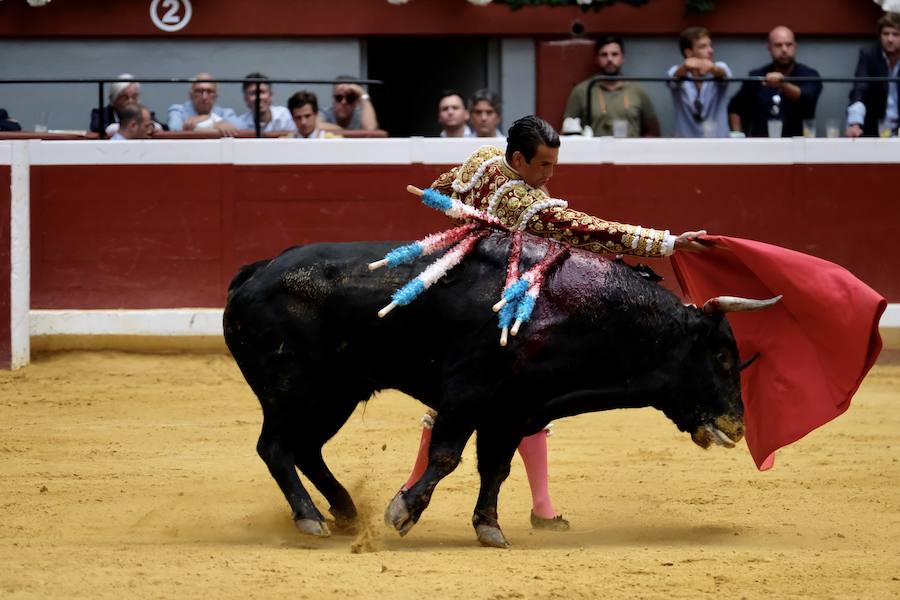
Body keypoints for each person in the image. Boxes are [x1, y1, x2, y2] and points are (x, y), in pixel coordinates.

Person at [401, 115, 706, 530]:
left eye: (553, 164)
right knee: (526, 396)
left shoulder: (483, 160)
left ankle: (414, 488)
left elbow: (438, 191)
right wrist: (666, 242)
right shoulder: (527, 206)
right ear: (519, 158)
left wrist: (475, 224)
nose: (549, 173)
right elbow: (590, 231)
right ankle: (537, 506)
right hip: (504, 303)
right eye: (542, 165)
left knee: (449, 401)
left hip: (460, 289)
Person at [727, 27, 823, 137]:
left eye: (789, 45)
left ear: (795, 47)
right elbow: (735, 107)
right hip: (762, 145)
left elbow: (808, 98)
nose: (784, 50)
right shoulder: (757, 76)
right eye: (778, 45)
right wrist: (738, 137)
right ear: (769, 48)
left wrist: (783, 85)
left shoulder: (809, 75)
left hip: (799, 145)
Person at [563, 35, 660, 137]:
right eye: (604, 55)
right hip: (595, 151)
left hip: (630, 151)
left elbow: (653, 131)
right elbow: (567, 131)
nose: (609, 59)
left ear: (622, 58)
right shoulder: (582, 91)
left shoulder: (636, 90)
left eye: (614, 54)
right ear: (596, 59)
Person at [666, 27, 732, 137]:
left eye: (710, 45)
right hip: (686, 146)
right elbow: (673, 79)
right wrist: (686, 67)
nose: (710, 50)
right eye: (703, 47)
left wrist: (712, 68)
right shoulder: (677, 71)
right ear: (688, 52)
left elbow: (724, 75)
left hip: (718, 145)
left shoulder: (719, 67)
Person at [846, 12, 900, 138]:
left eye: (896, 34)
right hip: (874, 128)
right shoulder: (869, 55)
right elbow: (860, 88)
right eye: (885, 34)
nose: (890, 39)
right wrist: (855, 123)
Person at [167, 72, 239, 136]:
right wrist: (215, 124)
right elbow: (175, 130)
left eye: (210, 91)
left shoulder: (226, 113)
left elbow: (239, 129)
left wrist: (200, 122)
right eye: (199, 91)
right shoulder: (178, 110)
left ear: (216, 96)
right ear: (190, 95)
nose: (204, 97)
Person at [89, 74, 163, 135]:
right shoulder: (100, 114)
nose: (130, 101)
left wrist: (151, 126)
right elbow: (100, 128)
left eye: (134, 97)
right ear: (113, 99)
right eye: (125, 97)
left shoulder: (144, 113)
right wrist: (142, 127)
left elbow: (161, 127)